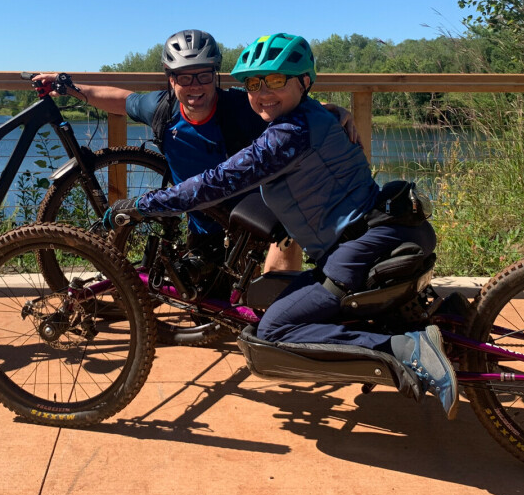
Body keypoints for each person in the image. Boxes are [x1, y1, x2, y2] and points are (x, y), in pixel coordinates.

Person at [102, 32, 457, 418]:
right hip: (384, 232)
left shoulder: (288, 136)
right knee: (272, 299)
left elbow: (213, 184)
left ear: (304, 82)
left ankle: (407, 348)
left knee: (271, 332)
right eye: (253, 84)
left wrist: (141, 205)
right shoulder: (310, 116)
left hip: (362, 249)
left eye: (274, 81)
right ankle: (455, 327)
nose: (261, 93)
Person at [36, 29, 355, 273]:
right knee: (209, 309)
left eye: (203, 75)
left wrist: (331, 111)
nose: (195, 85)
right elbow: (119, 99)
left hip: (255, 222)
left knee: (268, 301)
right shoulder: (161, 109)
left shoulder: (239, 109)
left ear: (215, 74)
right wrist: (66, 86)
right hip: (203, 225)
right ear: (170, 78)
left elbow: (287, 108)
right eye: (184, 77)